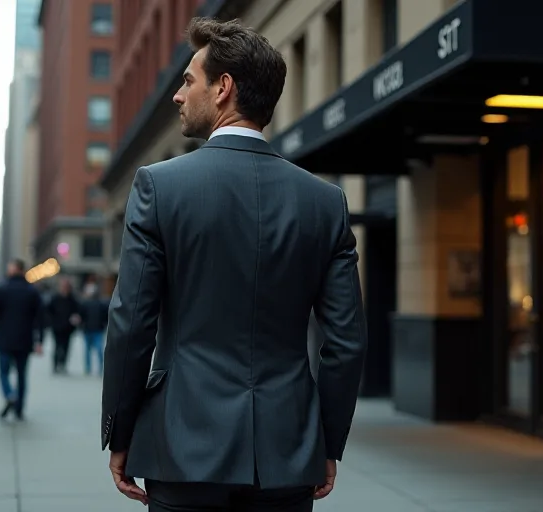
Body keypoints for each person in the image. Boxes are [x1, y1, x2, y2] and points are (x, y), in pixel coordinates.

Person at [100, 17, 368, 512]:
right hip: (286, 453)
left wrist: (120, 430)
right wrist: (327, 444)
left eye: (188, 81)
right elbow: (346, 341)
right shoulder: (324, 202)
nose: (178, 96)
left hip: (181, 448)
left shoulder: (160, 188)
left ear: (223, 89)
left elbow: (131, 322)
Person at [0, 259, 44, 421]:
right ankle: (19, 408)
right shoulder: (32, 291)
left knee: (4, 372)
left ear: (13, 269)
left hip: (4, 338)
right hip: (25, 340)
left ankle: (10, 395)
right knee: (21, 375)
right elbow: (40, 317)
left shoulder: (2, 289)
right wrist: (39, 340)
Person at [47, 277, 80, 374]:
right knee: (57, 346)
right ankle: (55, 364)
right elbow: (49, 310)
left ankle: (63, 364)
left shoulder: (72, 299)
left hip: (68, 328)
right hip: (57, 327)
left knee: (66, 347)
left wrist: (75, 319)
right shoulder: (55, 298)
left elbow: (77, 311)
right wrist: (51, 321)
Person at [78, 282, 109, 376]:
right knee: (89, 350)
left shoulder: (101, 304)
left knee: (97, 350)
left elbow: (105, 316)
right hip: (88, 329)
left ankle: (98, 367)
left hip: (97, 330)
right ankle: (89, 368)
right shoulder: (85, 304)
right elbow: (81, 316)